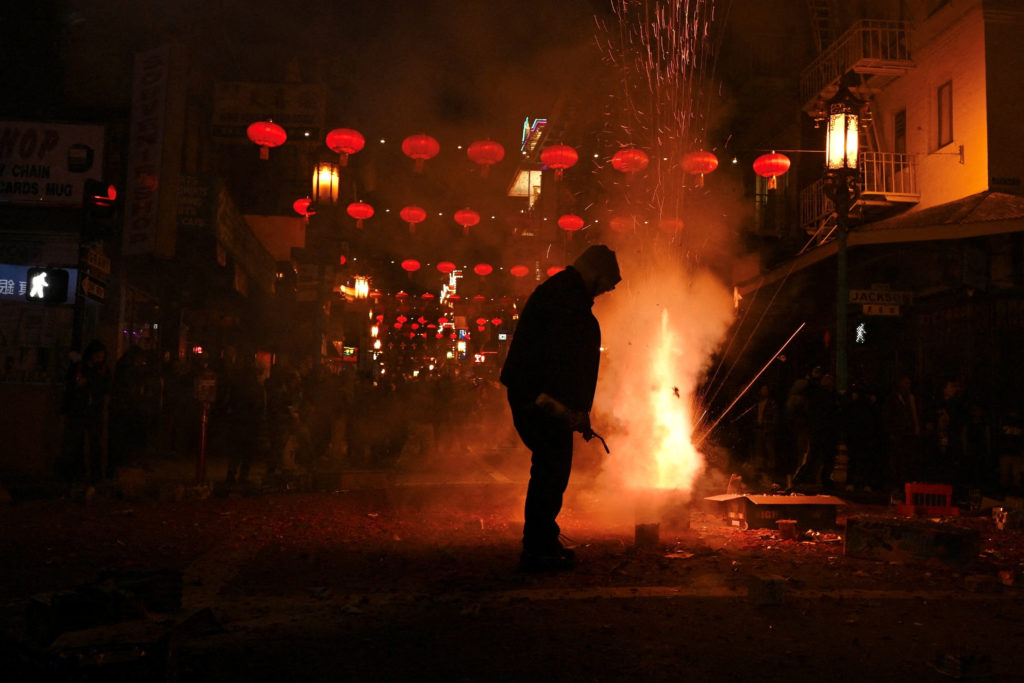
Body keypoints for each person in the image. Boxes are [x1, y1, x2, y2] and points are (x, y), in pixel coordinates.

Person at [500, 244, 621, 572]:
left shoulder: (565, 295)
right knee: (550, 469)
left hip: (538, 395)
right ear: (594, 274)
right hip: (538, 397)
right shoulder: (565, 302)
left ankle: (543, 540)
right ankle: (538, 548)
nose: (606, 291)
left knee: (551, 468)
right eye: (607, 284)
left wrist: (575, 410)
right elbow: (560, 364)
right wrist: (566, 409)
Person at [60, 340, 111, 484]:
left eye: (102, 356)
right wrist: (65, 409)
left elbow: (105, 387)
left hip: (95, 411)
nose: (99, 359)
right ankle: (79, 472)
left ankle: (96, 474)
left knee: (95, 444)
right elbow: (69, 388)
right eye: (97, 356)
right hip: (79, 410)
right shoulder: (79, 368)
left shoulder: (103, 370)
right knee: (77, 443)